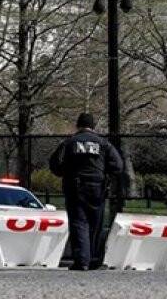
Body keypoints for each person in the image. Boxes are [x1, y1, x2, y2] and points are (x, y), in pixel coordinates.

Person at [49, 112, 123, 271]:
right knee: (96, 223)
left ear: (78, 125)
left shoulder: (69, 142)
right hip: (98, 187)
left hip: (75, 186)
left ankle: (82, 260)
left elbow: (55, 164)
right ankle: (95, 259)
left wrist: (66, 172)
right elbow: (118, 165)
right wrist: (104, 172)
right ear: (93, 126)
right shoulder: (103, 143)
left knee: (79, 222)